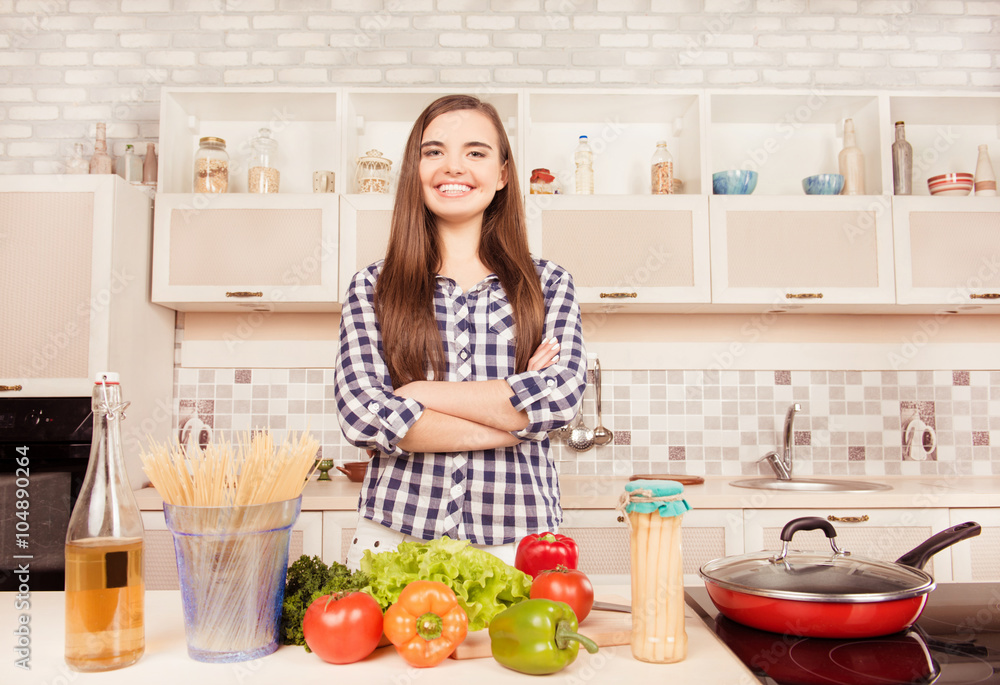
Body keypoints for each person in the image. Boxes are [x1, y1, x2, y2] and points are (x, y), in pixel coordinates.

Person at [334, 94, 587, 570]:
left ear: (503, 173)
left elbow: (558, 400)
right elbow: (363, 416)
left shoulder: (549, 283)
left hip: (522, 542)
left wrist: (418, 392)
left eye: (475, 152)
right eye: (434, 152)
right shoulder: (372, 287)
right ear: (415, 169)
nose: (454, 167)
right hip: (395, 540)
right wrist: (514, 423)